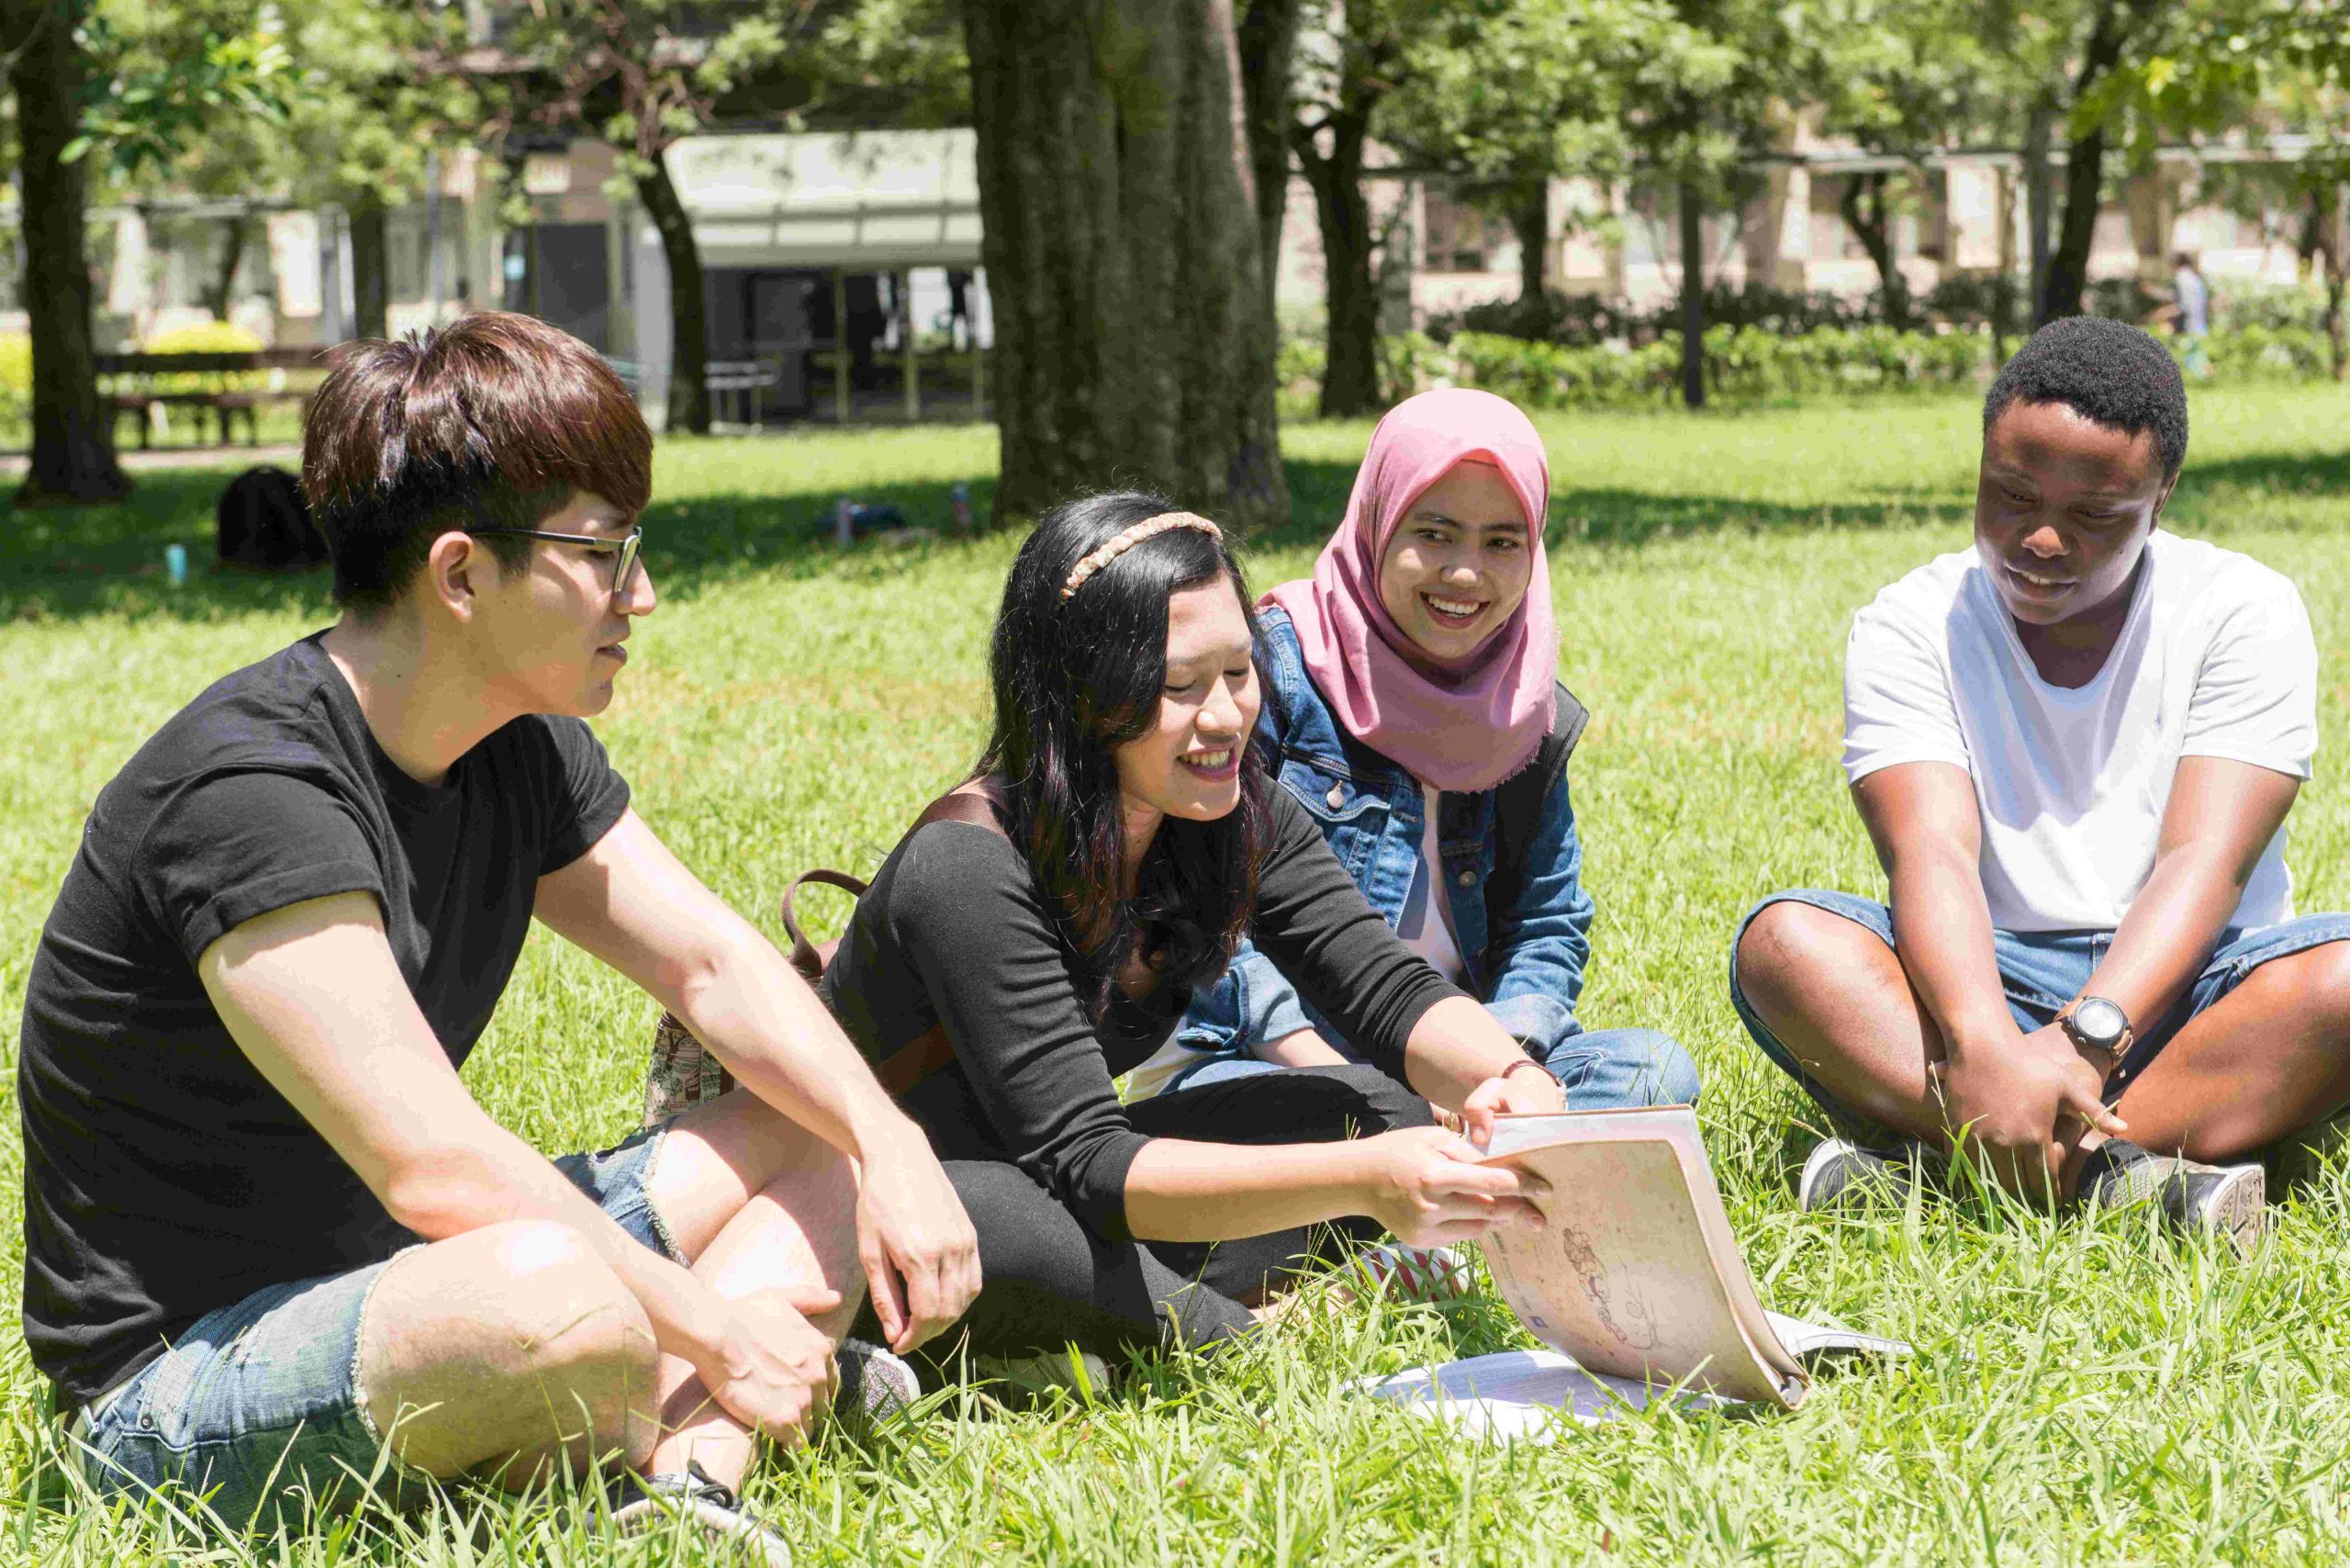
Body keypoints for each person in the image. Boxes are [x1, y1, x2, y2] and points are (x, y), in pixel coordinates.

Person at [17, 313, 979, 1551]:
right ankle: (725, 1382)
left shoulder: (511, 746)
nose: (643, 594)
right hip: (186, 1381)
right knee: (556, 1305)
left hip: (404, 1268)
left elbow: (711, 964)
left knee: (824, 1130)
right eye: (604, 552)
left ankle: (686, 1485)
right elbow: (436, 1166)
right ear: (462, 575)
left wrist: (887, 1142)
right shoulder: (254, 796)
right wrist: (715, 1321)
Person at [816, 491, 1569, 1364]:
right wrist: (1371, 1183)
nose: (1224, 717)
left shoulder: (1235, 812)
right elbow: (1090, 1162)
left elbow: (1385, 989)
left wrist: (1512, 1076)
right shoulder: (969, 866)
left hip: (1073, 1191)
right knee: (1004, 1217)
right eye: (1178, 687)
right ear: (1080, 694)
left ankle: (1090, 1331)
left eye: (1240, 673)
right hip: (894, 1212)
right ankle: (1231, 1338)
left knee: (1381, 1109)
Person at [1729, 316, 2350, 1247]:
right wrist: (1982, 1040)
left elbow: (2204, 860)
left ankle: (1954, 1164)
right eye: (2010, 495)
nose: (2043, 539)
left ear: (2161, 495)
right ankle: (2118, 1180)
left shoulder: (2240, 610)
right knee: (1785, 945)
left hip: (2195, 987)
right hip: (1989, 974)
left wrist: (2082, 1040)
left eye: (2096, 515)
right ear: (1981, 459)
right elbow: (1929, 849)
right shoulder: (1910, 622)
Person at [1131, 388, 1698, 1111]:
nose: (1464, 574)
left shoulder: (1528, 709)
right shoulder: (1266, 675)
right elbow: (1203, 913)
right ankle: (1428, 1169)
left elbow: (1547, 921)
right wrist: (1349, 1081)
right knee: (1312, 1117)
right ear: (1376, 522)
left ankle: (1438, 1165)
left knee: (1654, 1070)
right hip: (1267, 1055)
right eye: (1433, 533)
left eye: (1501, 542)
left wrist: (1499, 1071)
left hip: (1455, 1054)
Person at [2170, 249, 2212, 378]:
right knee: (2198, 357)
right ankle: (2208, 381)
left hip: (2189, 325)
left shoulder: (2181, 278)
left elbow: (2183, 306)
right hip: (2200, 323)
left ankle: (2207, 381)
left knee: (2194, 359)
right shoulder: (2194, 278)